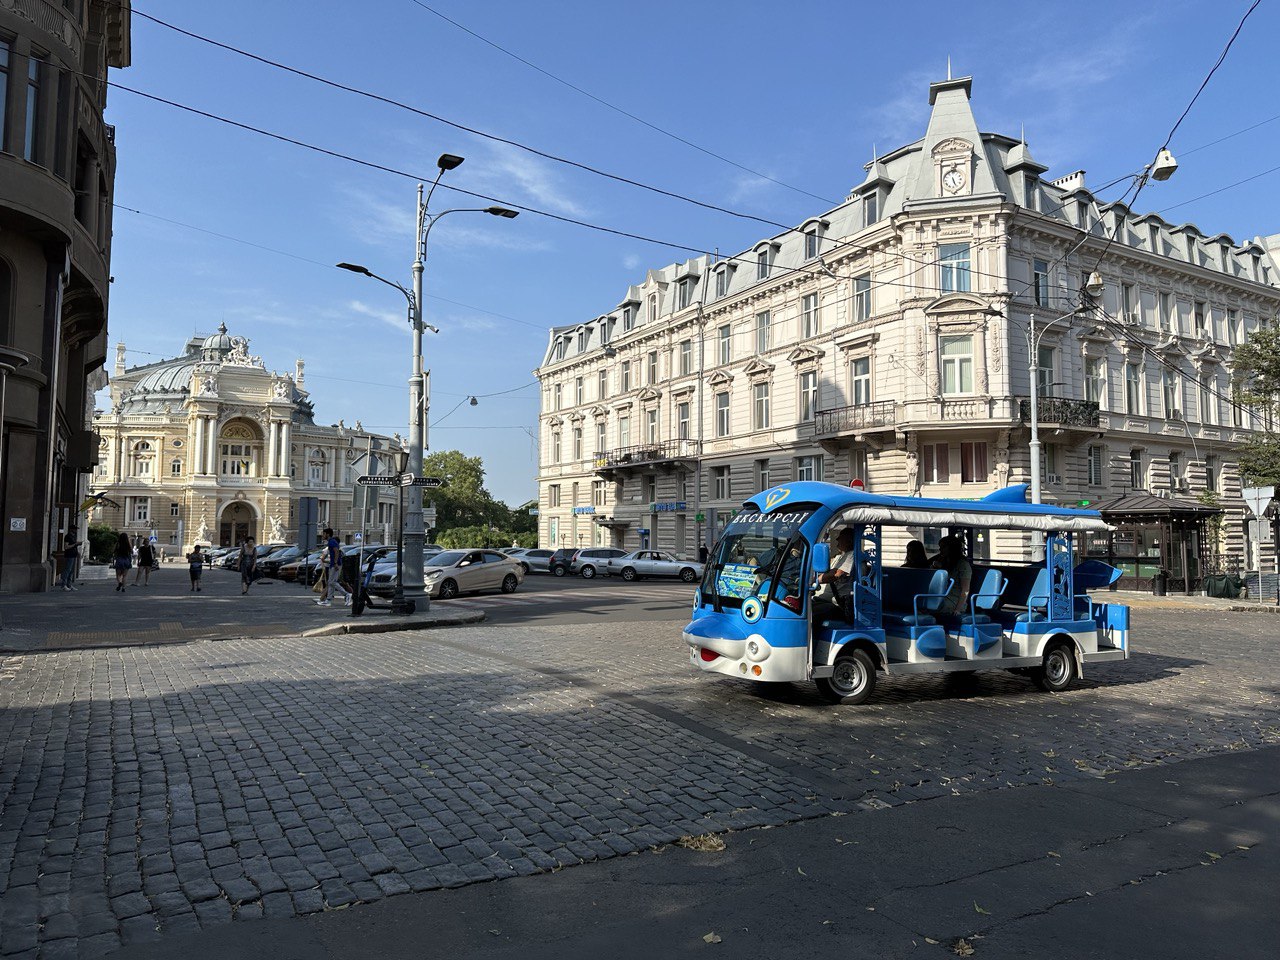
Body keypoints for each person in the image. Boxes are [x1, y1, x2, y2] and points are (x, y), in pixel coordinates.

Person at [812, 527, 856, 622]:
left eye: (841, 537)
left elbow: (835, 574)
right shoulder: (842, 556)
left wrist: (814, 581)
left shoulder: (852, 555)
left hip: (839, 604)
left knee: (809, 612)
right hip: (825, 599)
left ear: (849, 541)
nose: (837, 539)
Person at [932, 535, 972, 616]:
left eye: (943, 547)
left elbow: (965, 589)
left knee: (928, 605)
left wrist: (958, 609)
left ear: (952, 548)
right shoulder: (944, 562)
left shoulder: (963, 564)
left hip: (954, 600)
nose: (940, 550)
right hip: (942, 596)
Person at [316, 528, 349, 607]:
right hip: (333, 564)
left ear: (328, 534)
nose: (323, 535)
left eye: (324, 534)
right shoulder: (331, 542)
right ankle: (328, 600)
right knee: (330, 582)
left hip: (335, 565)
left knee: (332, 582)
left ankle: (347, 594)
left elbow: (336, 551)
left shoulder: (332, 542)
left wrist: (335, 563)